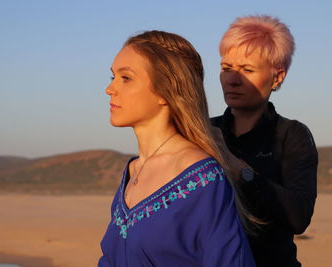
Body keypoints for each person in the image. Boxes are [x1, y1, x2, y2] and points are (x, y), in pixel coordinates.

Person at [98, 30, 255, 266]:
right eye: (113, 77)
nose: (110, 89)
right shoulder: (132, 171)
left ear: (165, 90)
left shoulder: (202, 178)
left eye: (126, 78)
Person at [211, 15, 318, 267]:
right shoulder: (205, 129)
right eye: (226, 68)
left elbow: (299, 216)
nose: (233, 79)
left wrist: (240, 171)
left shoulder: (292, 135)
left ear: (277, 77)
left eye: (247, 70)